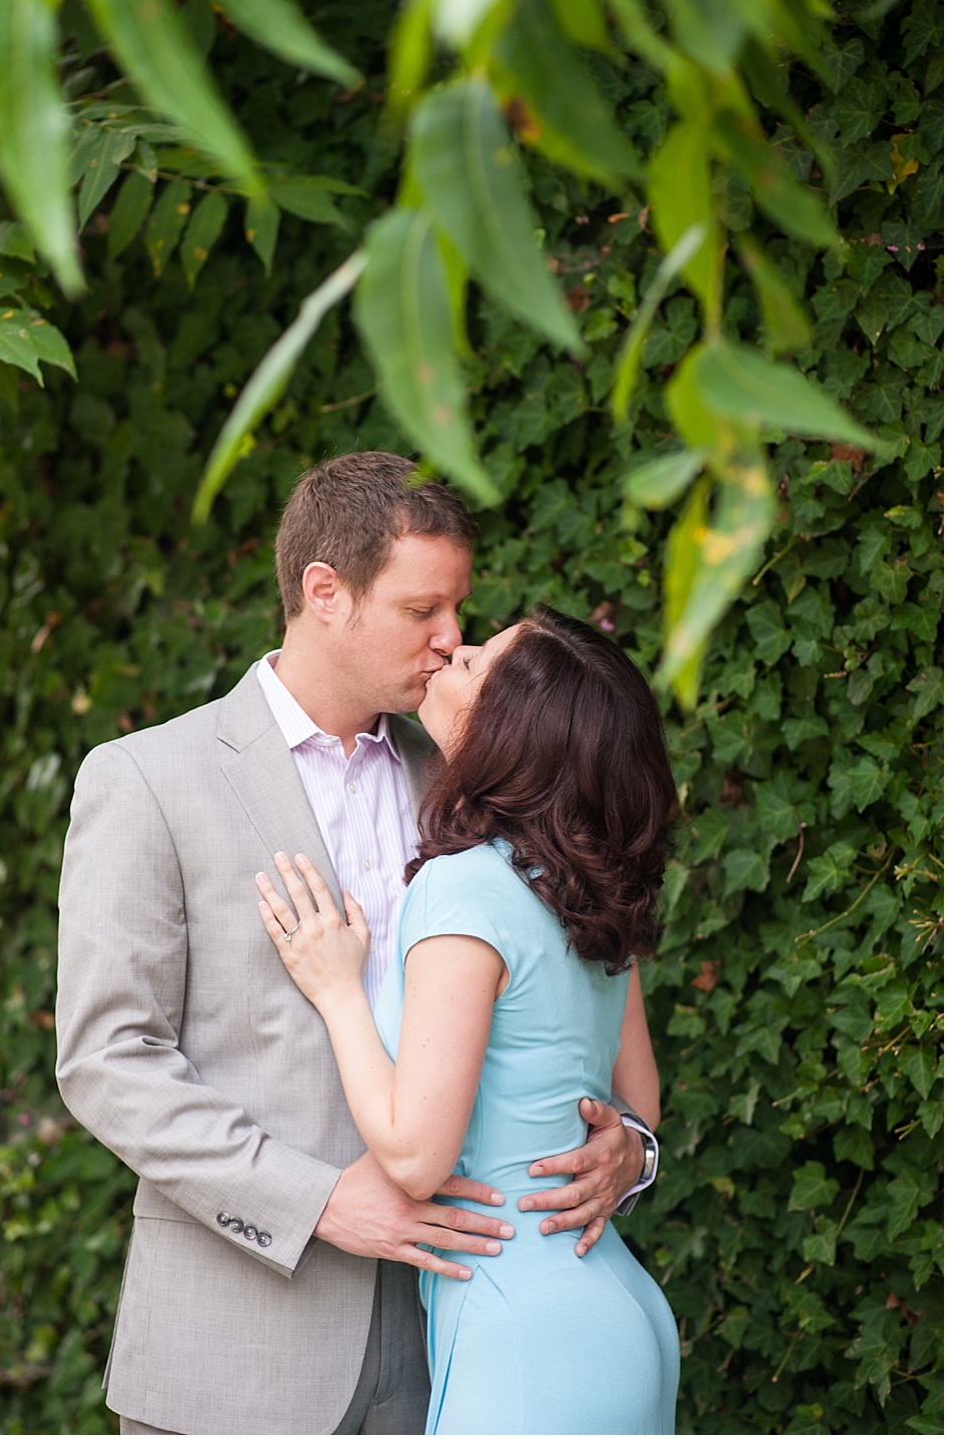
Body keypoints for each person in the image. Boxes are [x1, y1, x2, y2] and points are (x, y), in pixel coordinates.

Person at [55, 453, 659, 1436]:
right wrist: (317, 1204)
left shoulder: (473, 775)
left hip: (458, 1334)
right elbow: (107, 1063)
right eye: (422, 610)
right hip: (243, 1347)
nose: (450, 637)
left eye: (459, 610)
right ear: (324, 595)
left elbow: (571, 990)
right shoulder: (146, 779)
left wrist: (629, 1151)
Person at [258, 604, 681, 1434]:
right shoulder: (578, 883)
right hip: (616, 1304)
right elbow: (641, 1105)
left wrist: (339, 989)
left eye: (480, 661)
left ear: (513, 729)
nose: (455, 649)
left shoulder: (462, 886)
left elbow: (416, 1155)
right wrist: (633, 1152)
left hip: (525, 1328)